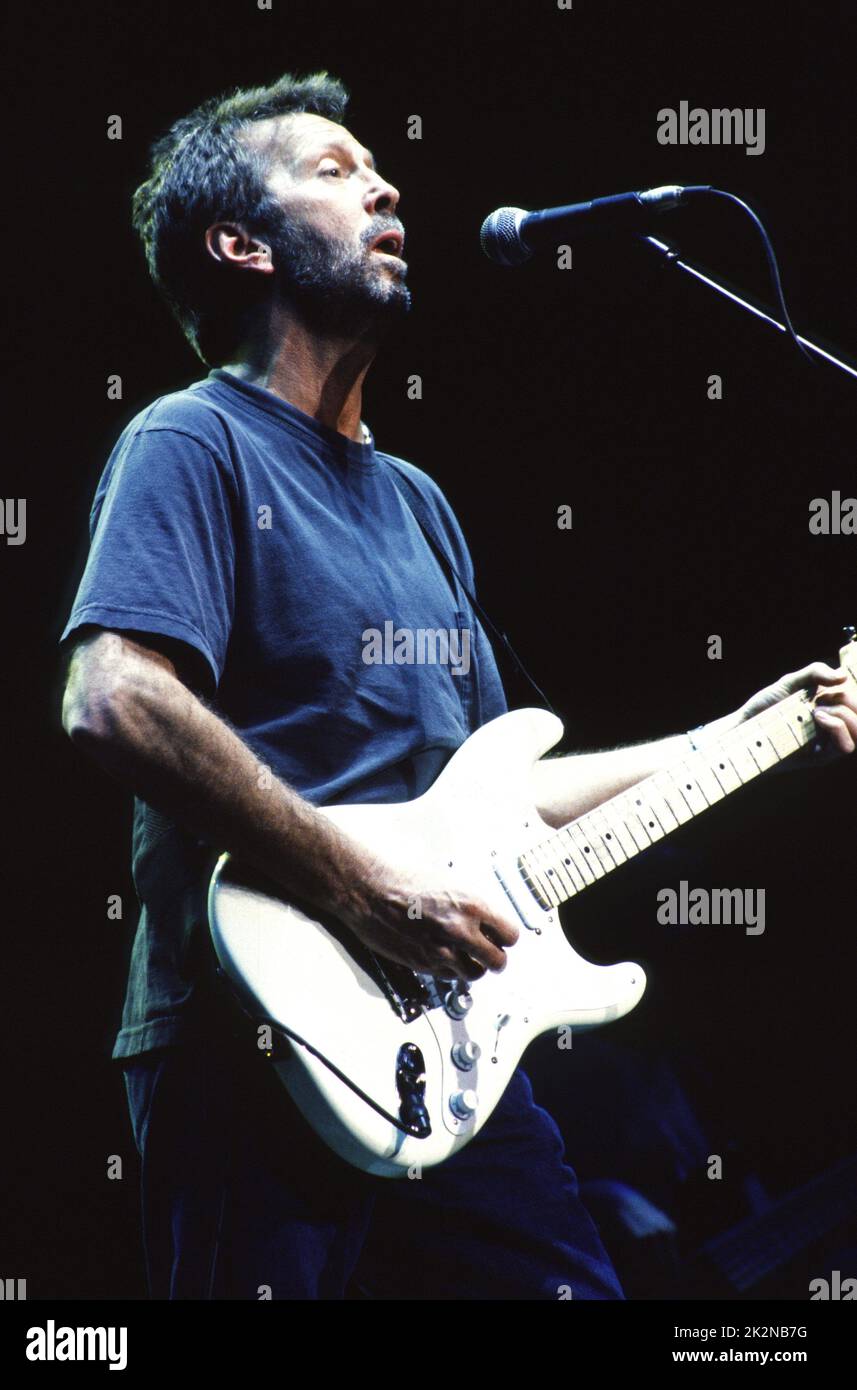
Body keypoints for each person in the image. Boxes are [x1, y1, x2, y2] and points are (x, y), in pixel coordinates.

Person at [59, 73, 856, 1300]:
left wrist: (745, 733)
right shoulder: (189, 437)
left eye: (380, 165)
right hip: (252, 1037)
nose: (384, 185)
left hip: (452, 1060)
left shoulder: (419, 504)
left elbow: (508, 789)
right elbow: (111, 694)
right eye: (331, 169)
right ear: (238, 243)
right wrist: (357, 878)